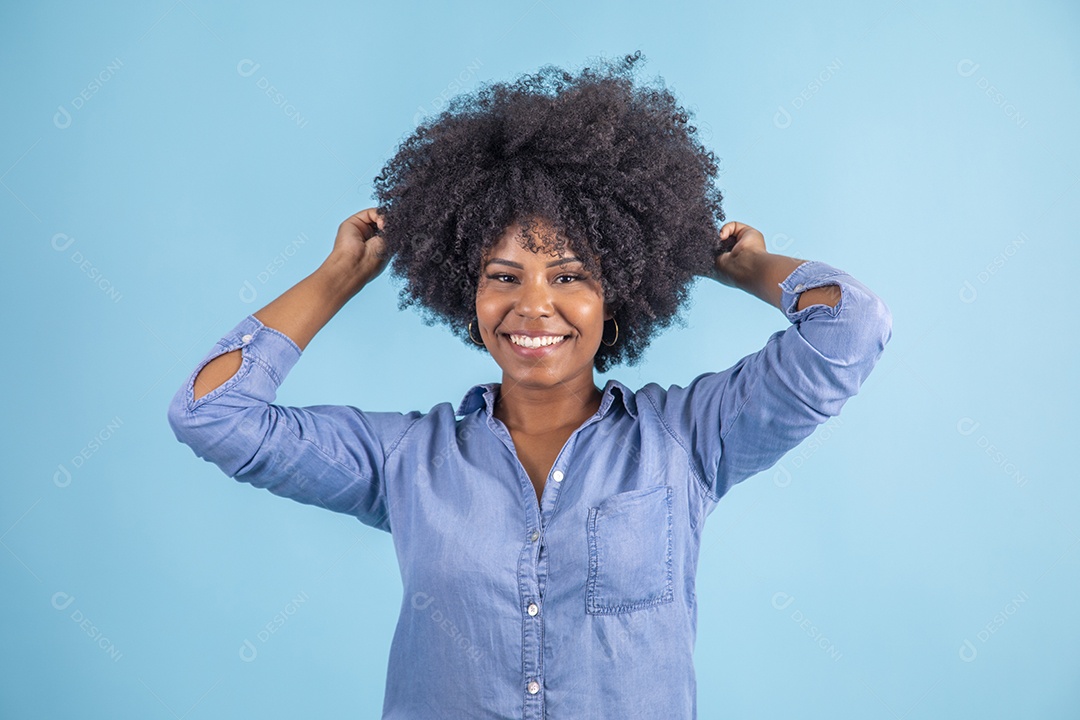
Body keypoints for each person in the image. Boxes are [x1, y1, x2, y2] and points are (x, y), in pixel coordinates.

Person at [167, 52, 892, 719]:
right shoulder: (404, 461)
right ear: (466, 294)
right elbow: (211, 414)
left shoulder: (690, 440)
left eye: (571, 276)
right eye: (503, 277)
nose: (534, 305)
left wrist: (736, 267)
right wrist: (337, 279)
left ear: (620, 292)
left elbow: (851, 327)